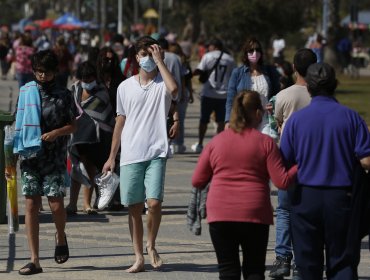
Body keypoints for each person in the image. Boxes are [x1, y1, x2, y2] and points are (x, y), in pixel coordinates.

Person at [192, 90, 297, 280]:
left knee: (228, 271)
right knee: (254, 271)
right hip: (254, 213)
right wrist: (300, 166)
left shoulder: (216, 142)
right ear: (257, 114)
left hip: (220, 214)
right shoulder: (266, 143)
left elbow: (197, 180)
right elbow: (282, 181)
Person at [280, 62, 370, 280]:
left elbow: (285, 161)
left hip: (305, 197)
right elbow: (366, 160)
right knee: (342, 261)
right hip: (341, 198)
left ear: (308, 87)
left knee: (307, 264)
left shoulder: (295, 121)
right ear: (335, 85)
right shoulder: (351, 118)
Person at [102, 36, 178, 273]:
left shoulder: (162, 84)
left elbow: (174, 89)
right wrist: (111, 156)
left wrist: (160, 62)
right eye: (144, 54)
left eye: (152, 53)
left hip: (156, 151)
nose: (148, 59)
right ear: (136, 57)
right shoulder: (124, 87)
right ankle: (138, 256)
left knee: (154, 203)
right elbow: (120, 122)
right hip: (131, 154)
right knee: (134, 207)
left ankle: (151, 244)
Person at [9, 49, 77, 275]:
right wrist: (13, 153)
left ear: (54, 72)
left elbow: (73, 126)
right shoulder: (26, 91)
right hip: (30, 157)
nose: (41, 76)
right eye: (38, 72)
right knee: (30, 205)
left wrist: (57, 133)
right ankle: (34, 259)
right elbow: (18, 121)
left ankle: (60, 235)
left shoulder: (64, 95)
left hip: (55, 158)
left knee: (56, 206)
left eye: (46, 73)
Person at [269, 48, 317, 280]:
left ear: (294, 68)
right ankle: (301, 261)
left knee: (285, 210)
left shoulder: (284, 95)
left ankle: (282, 259)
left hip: (288, 159)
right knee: (306, 213)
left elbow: (277, 121)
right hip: (314, 160)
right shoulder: (319, 96)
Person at [66, 61, 115, 215]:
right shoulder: (74, 89)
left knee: (90, 168)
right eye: (84, 80)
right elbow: (71, 109)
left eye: (90, 79)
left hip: (96, 137)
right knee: (76, 168)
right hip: (77, 136)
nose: (87, 83)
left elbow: (101, 112)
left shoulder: (102, 91)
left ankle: (86, 204)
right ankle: (72, 204)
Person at [225, 37, 280, 136]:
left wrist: (274, 105)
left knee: (267, 143)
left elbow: (277, 94)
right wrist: (228, 121)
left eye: (257, 50)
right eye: (251, 50)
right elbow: (230, 99)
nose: (254, 53)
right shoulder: (237, 73)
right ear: (246, 53)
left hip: (265, 118)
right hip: (244, 118)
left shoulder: (270, 71)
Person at [192, 38, 236, 153]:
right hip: (224, 94)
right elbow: (233, 76)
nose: (208, 48)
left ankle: (200, 143)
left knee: (204, 120)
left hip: (208, 93)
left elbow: (200, 70)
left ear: (214, 46)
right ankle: (219, 144)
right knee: (221, 121)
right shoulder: (230, 59)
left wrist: (190, 75)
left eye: (209, 46)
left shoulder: (208, 56)